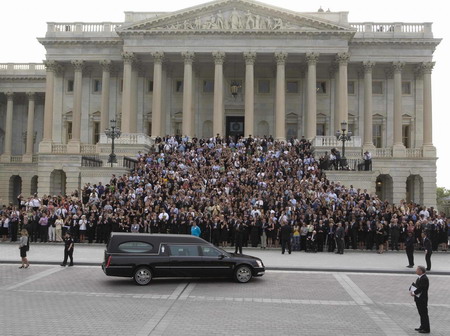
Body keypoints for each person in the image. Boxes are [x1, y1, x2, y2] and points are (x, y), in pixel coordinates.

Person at [410, 266, 430, 333]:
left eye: (417, 270)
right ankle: (422, 326)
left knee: (424, 314)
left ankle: (426, 329)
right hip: (418, 298)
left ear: (421, 271)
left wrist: (414, 292)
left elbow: (421, 288)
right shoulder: (419, 278)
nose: (416, 271)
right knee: (421, 313)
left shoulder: (424, 278)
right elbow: (418, 287)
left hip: (422, 299)